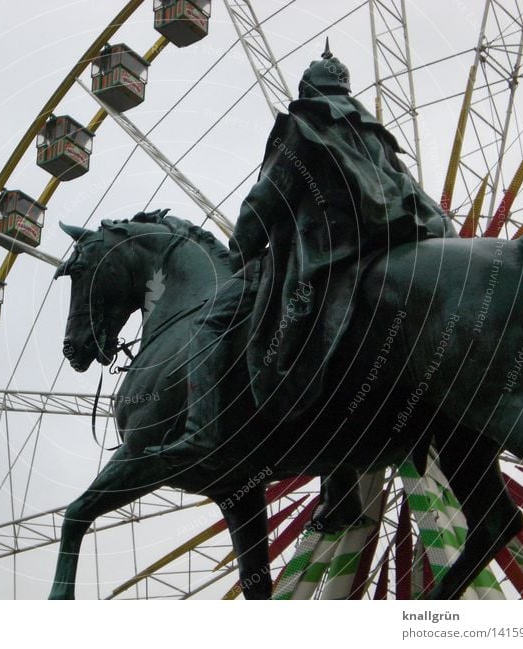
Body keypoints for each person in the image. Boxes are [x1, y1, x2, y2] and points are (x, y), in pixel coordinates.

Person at [149, 42, 455, 527]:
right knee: (342, 363)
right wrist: (444, 237)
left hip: (319, 259)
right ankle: (340, 486)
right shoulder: (373, 133)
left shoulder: (301, 127)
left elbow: (265, 199)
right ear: (346, 90)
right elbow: (415, 196)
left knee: (214, 328)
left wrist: (242, 248)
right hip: (388, 250)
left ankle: (200, 431)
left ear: (307, 91)